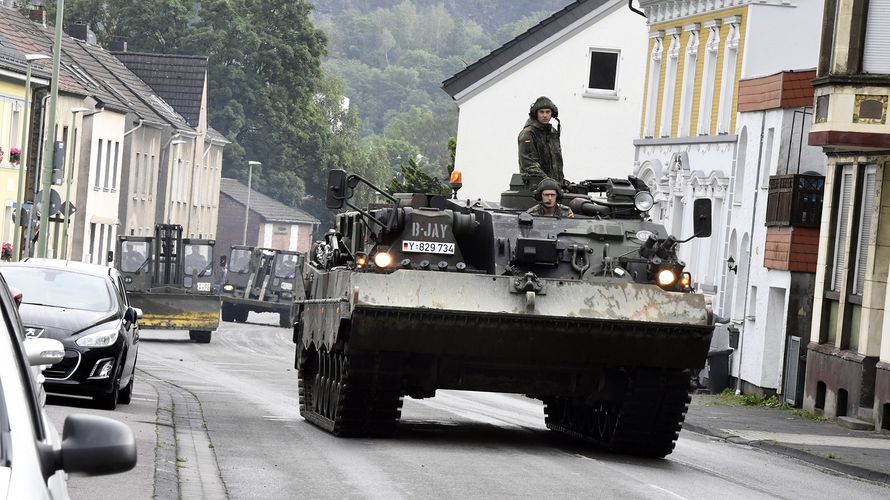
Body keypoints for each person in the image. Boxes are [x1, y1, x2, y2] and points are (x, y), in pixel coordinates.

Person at [518, 96, 564, 189]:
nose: (545, 115)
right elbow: (529, 164)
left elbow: (557, 163)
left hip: (554, 188)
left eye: (548, 112)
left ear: (552, 114)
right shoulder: (528, 133)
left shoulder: (553, 133)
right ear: (536, 114)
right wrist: (548, 182)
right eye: (541, 112)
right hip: (535, 187)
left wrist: (561, 183)